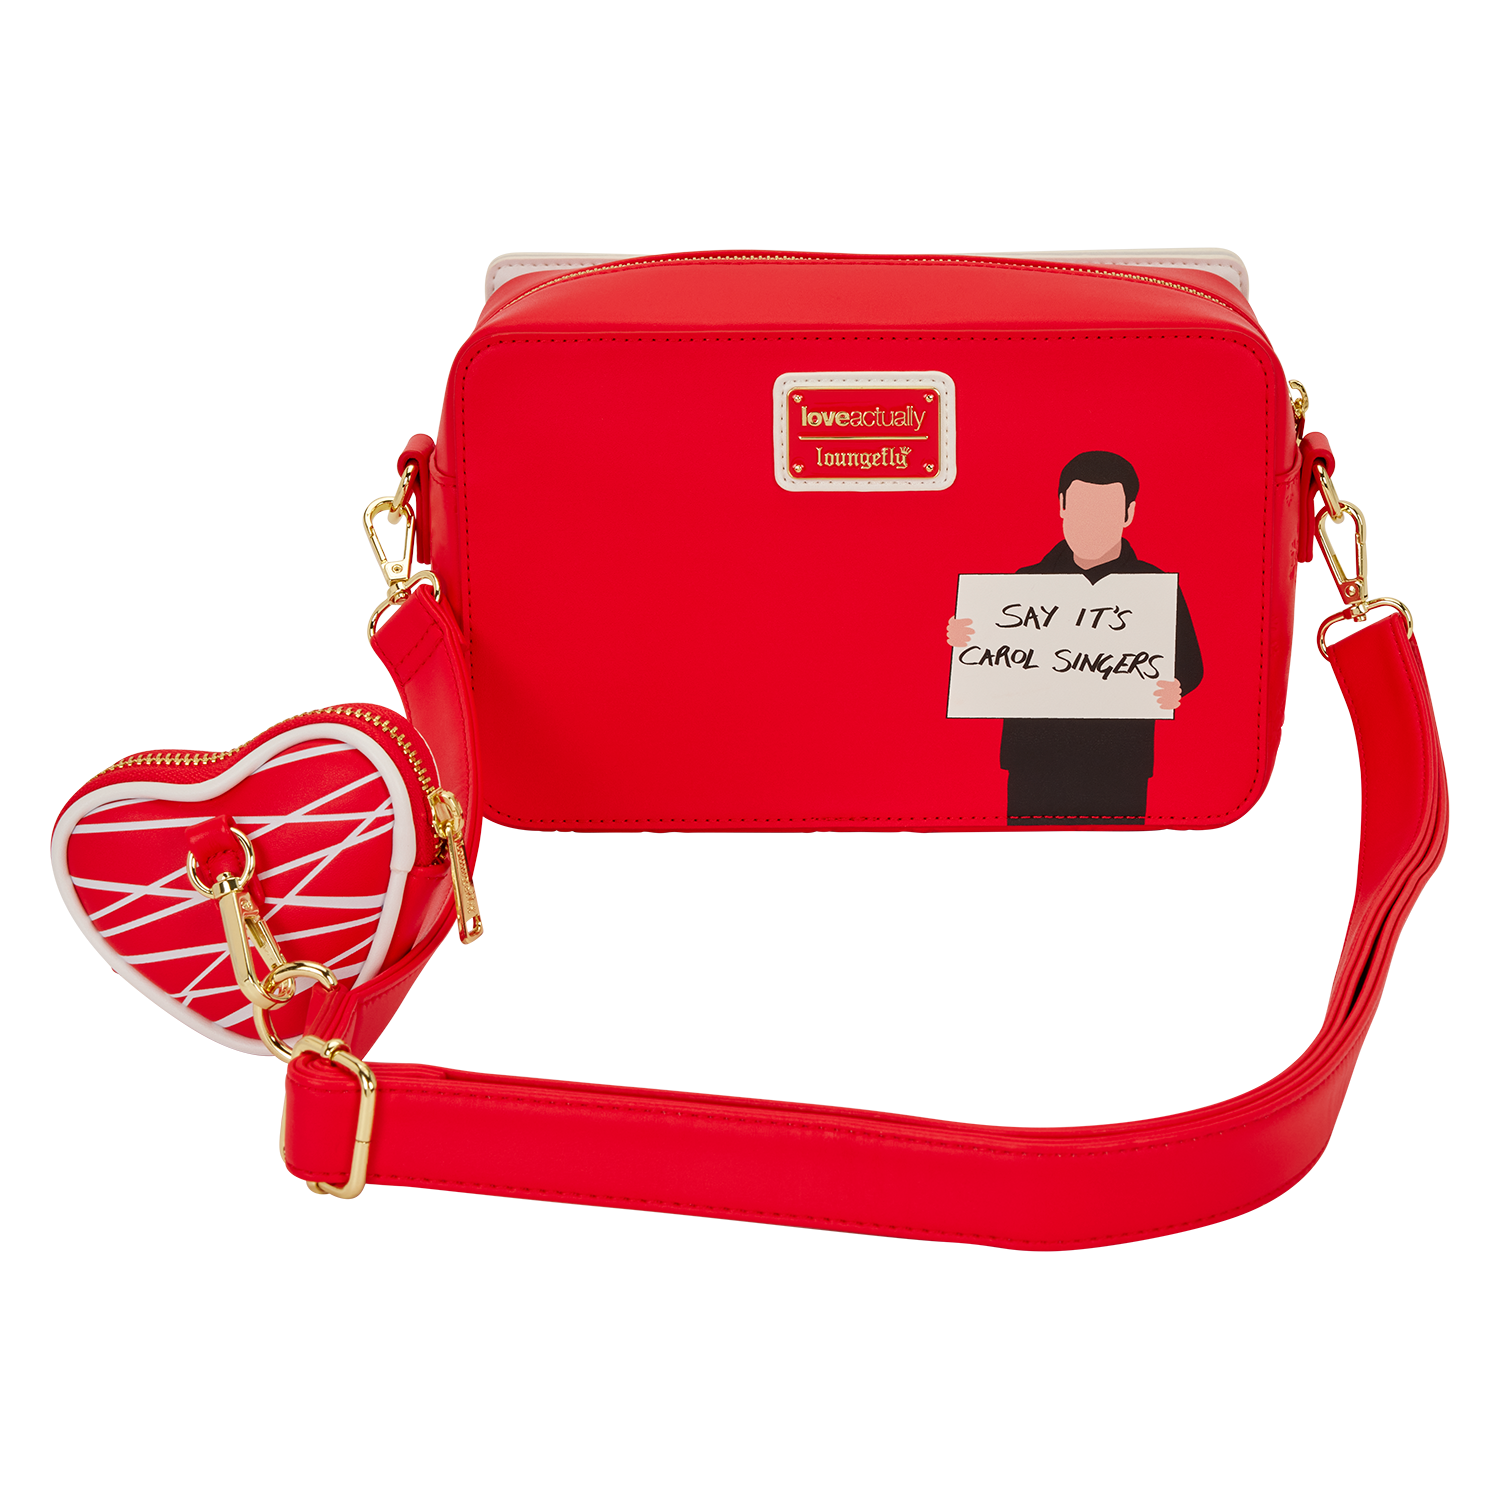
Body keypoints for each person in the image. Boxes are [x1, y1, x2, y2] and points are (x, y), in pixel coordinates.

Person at [946, 451, 1204, 825]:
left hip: (1119, 759)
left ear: (1129, 514)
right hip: (1035, 758)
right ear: (1062, 506)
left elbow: (1191, 666)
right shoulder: (1024, 584)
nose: (1091, 523)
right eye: (1082, 508)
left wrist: (1174, 687)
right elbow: (992, 659)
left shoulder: (1154, 587)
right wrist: (966, 640)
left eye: (1106, 510)